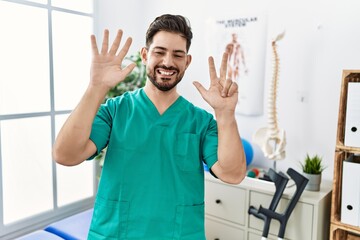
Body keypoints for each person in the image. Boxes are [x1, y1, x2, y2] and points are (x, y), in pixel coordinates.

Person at [53, 14, 246, 240]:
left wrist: (225, 114)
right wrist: (96, 87)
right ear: (145, 55)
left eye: (177, 55)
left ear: (187, 61)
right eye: (159, 52)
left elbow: (233, 174)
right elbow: (65, 154)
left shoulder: (201, 123)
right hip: (116, 234)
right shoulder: (115, 112)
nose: (167, 62)